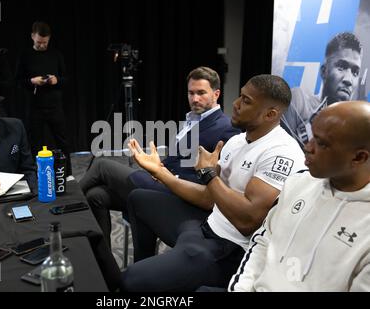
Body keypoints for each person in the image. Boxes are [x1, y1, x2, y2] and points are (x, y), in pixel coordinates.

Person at [121, 74, 306, 292]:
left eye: (246, 101)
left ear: (270, 114)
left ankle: (149, 280)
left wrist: (209, 174)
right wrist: (160, 172)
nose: (235, 105)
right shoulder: (237, 141)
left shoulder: (282, 152)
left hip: (230, 248)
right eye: (240, 97)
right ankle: (150, 272)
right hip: (206, 224)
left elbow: (248, 221)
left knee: (131, 280)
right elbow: (209, 198)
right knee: (138, 199)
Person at [79, 67, 241, 246]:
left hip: (180, 194)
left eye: (201, 93)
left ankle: (65, 206)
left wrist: (165, 175)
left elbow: (215, 182)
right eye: (191, 93)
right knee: (96, 196)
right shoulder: (193, 119)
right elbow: (177, 160)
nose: (195, 99)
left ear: (216, 93)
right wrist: (159, 166)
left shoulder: (226, 127)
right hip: (161, 183)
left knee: (102, 166)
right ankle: (104, 262)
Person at [229, 101, 370, 292]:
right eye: (312, 136)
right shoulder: (297, 183)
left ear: (359, 157)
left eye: (321, 143)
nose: (308, 147)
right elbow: (262, 243)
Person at [282, 32, 363, 145]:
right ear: (324, 71)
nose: (349, 80)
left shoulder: (354, 125)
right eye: (341, 67)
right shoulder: (300, 100)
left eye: (355, 72)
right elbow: (281, 153)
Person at [15, 21, 71, 171]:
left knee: (62, 141)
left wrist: (56, 80)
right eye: (39, 42)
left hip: (54, 105)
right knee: (35, 143)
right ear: (32, 36)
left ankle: (68, 172)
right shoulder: (25, 55)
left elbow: (66, 79)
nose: (42, 45)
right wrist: (32, 81)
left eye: (45, 42)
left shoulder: (56, 55)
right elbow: (17, 81)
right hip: (34, 106)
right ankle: (36, 173)